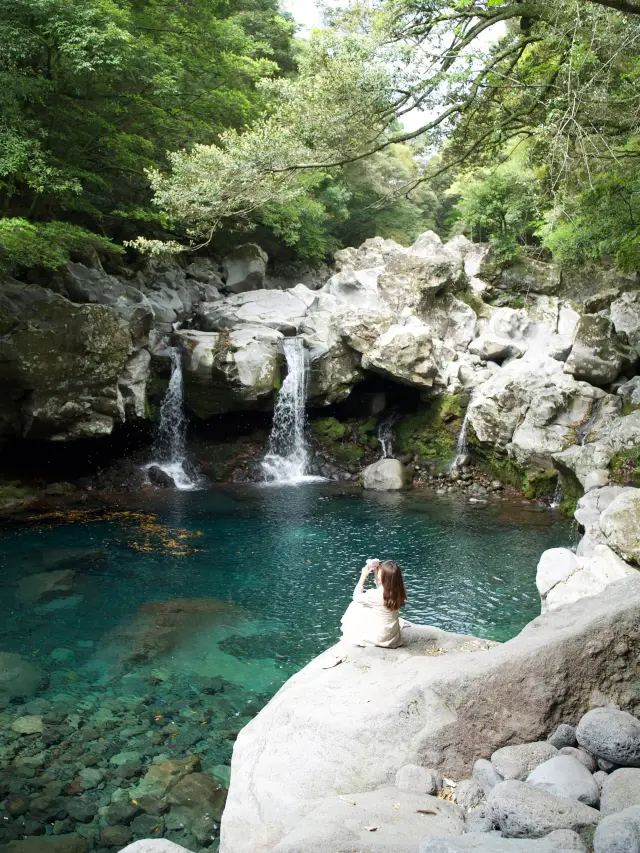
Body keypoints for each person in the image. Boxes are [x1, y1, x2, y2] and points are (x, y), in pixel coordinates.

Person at [340, 558, 408, 648]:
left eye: (380, 571)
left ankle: (350, 631)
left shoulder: (374, 595)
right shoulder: (398, 591)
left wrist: (363, 576)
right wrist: (377, 573)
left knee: (356, 605)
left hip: (380, 639)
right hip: (392, 638)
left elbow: (356, 597)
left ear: (383, 577)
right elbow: (383, 587)